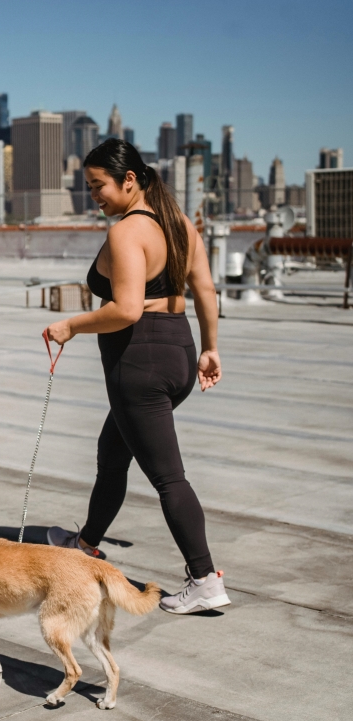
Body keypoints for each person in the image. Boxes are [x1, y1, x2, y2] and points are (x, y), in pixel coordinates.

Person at [45, 139, 230, 615]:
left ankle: (204, 578)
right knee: (113, 451)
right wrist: (209, 348)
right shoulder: (180, 223)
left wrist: (71, 325)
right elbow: (205, 289)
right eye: (89, 187)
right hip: (178, 350)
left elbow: (126, 310)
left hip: (140, 362)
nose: (95, 196)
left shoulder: (128, 232)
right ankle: (84, 544)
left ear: (129, 180)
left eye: (98, 185)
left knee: (168, 477)